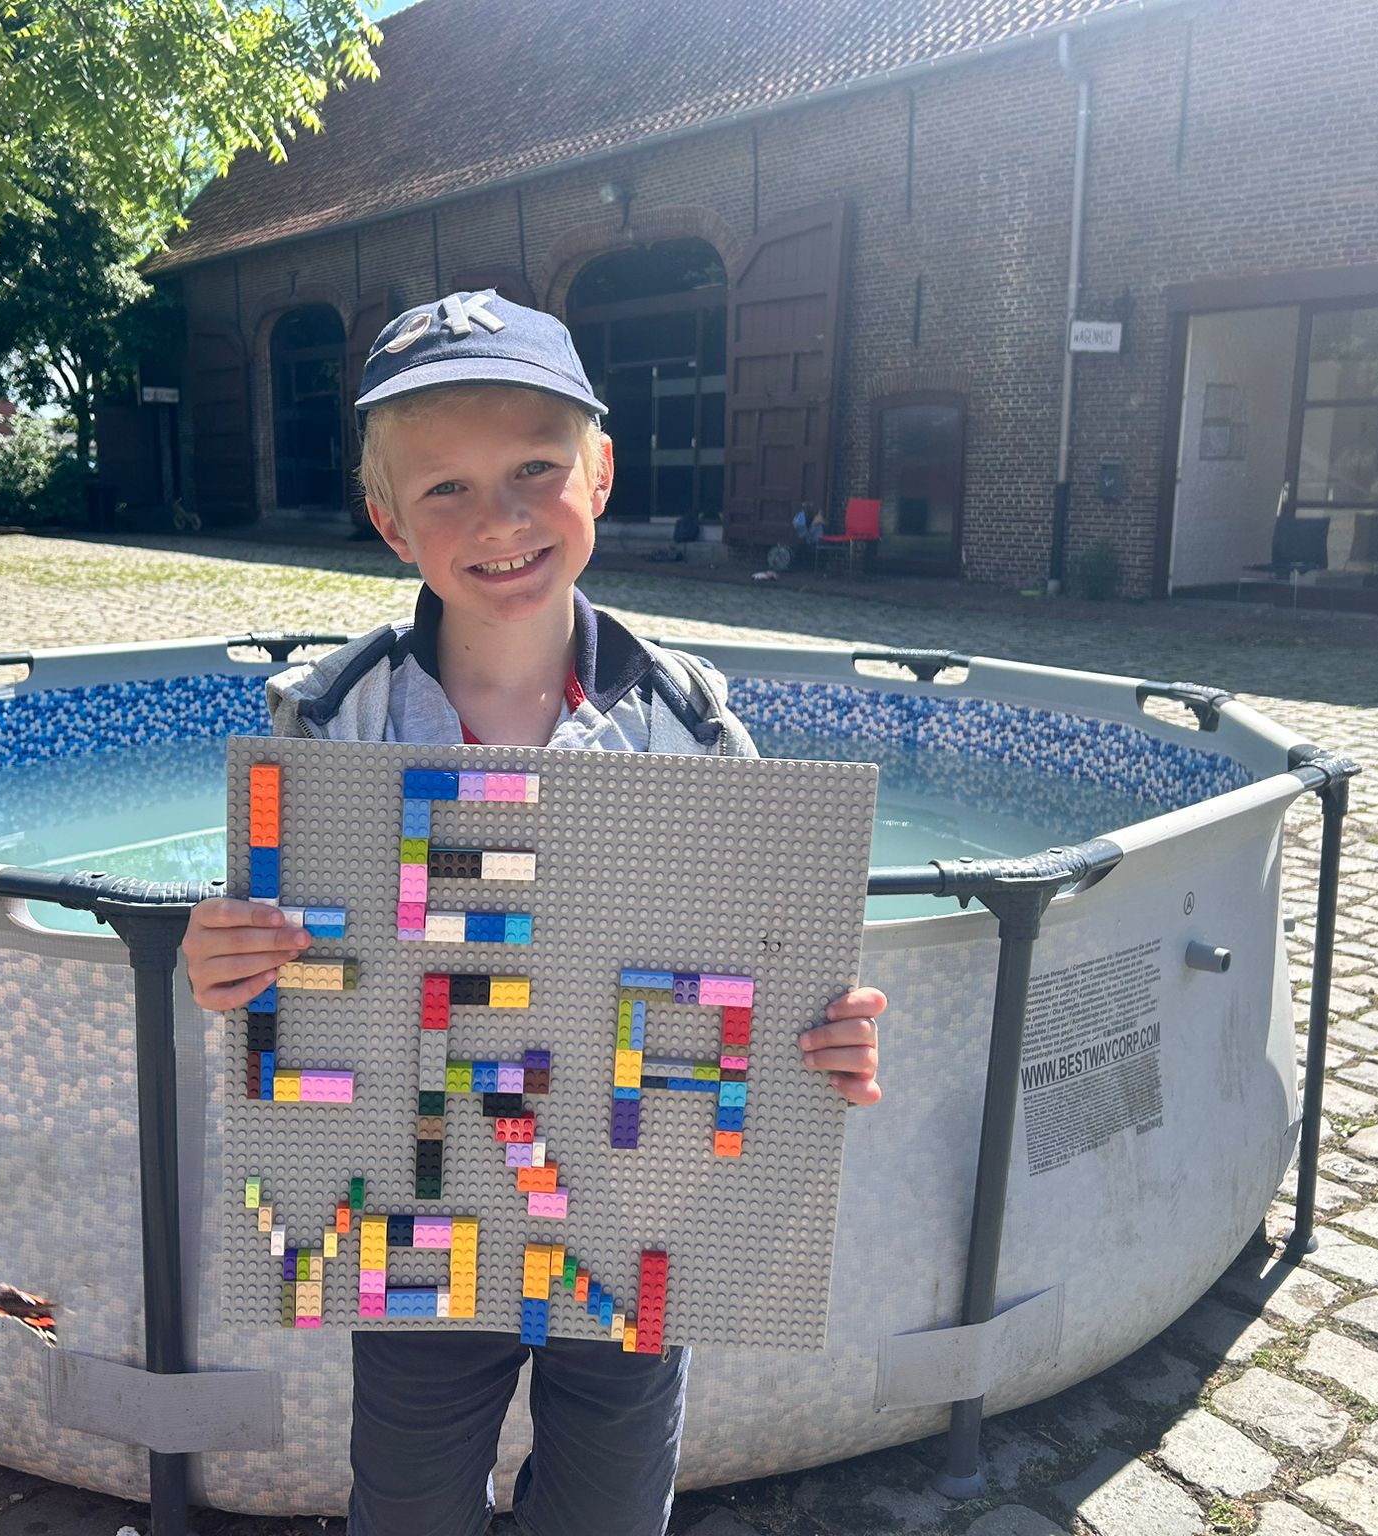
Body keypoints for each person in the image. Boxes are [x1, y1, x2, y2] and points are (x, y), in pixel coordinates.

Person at [181, 290, 885, 1536]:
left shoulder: (689, 723)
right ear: (389, 520)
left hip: (636, 1220)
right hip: (411, 1226)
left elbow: (763, 960)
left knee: (609, 1513)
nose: (499, 519)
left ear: (598, 474)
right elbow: (282, 982)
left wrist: (820, 1036)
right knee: (405, 1512)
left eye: (533, 470)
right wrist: (224, 961)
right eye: (444, 488)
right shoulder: (329, 721)